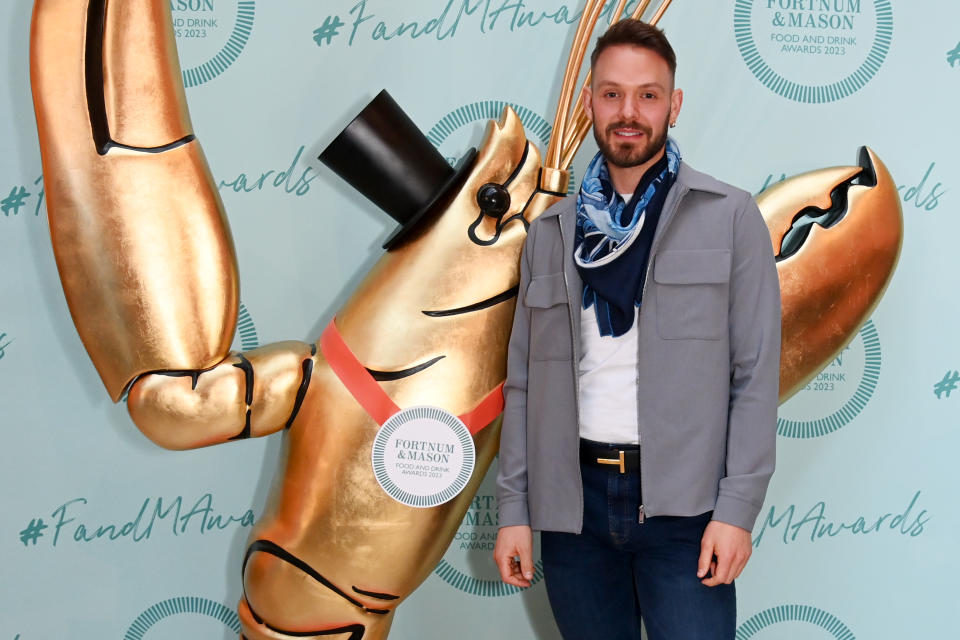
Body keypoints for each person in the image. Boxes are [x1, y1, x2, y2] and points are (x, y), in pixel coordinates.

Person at [493, 19, 781, 640]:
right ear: (589, 103)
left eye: (648, 95)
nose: (629, 111)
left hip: (687, 511)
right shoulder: (549, 233)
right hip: (574, 510)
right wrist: (514, 509)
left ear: (673, 105)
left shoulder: (730, 217)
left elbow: (755, 374)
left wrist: (736, 512)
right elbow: (522, 386)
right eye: (612, 93)